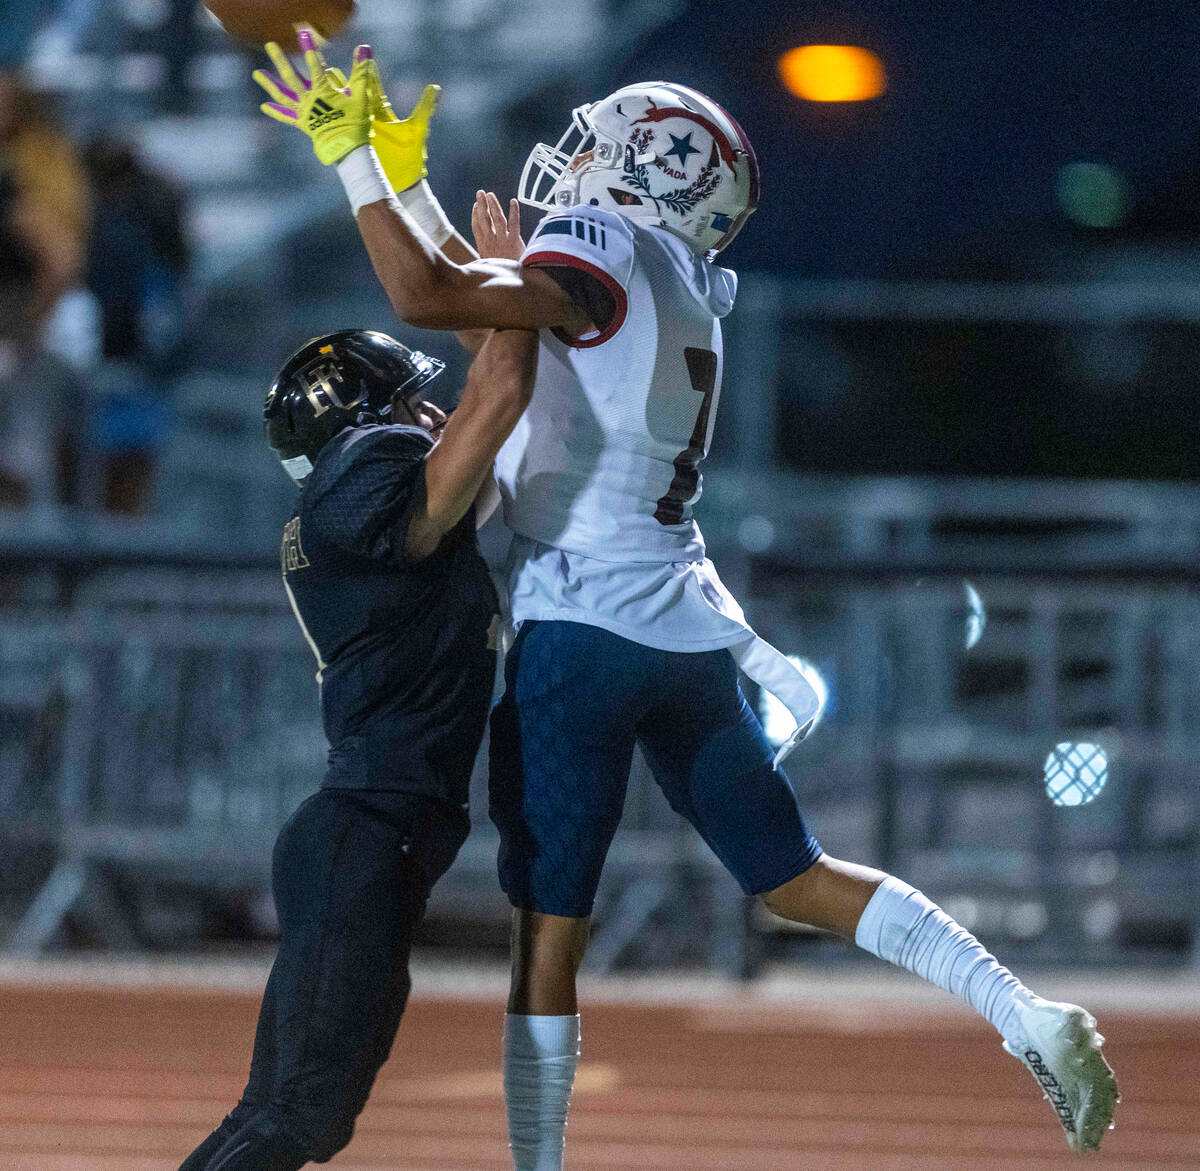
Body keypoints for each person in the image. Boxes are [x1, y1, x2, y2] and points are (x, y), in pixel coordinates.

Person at [252, 36, 1119, 1165]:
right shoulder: (680, 282)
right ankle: (1026, 1015)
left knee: (548, 936)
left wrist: (356, 165)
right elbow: (499, 332)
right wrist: (407, 183)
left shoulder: (596, 243)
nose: (575, 165)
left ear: (647, 172)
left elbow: (434, 298)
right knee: (798, 877)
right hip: (684, 628)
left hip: (577, 635)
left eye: (604, 149)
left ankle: (538, 1163)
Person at [179, 323, 538, 1170]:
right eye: (415, 399)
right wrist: (516, 301)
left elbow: (499, 431)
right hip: (367, 833)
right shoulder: (364, 480)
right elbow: (493, 405)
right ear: (366, 422)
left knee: (300, 1116)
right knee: (289, 1116)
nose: (436, 411)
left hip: (379, 834)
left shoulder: (371, 503)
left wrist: (502, 321)